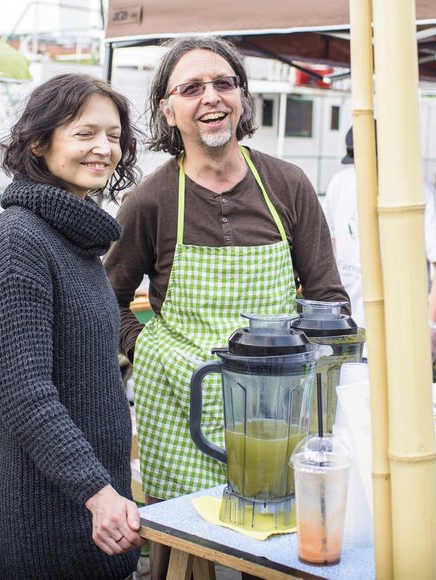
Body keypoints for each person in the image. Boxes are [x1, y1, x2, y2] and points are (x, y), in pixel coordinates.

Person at [104, 35, 346, 576]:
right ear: (168, 111)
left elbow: (328, 298)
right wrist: (146, 349)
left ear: (242, 97)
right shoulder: (150, 200)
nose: (210, 97)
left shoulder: (288, 184)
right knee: (187, 550)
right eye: (191, 88)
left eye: (223, 83)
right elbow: (108, 300)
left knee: (279, 553)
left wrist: (300, 369)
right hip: (180, 402)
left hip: (277, 404)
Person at [0, 74, 143, 579]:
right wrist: (97, 492)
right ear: (39, 142)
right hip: (44, 531)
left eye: (114, 136)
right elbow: (22, 392)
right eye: (85, 133)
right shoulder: (17, 239)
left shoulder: (77, 240)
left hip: (99, 518)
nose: (104, 149)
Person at [322, 127, 436, 348]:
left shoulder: (421, 193)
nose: (360, 168)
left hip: (401, 330)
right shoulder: (340, 183)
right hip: (348, 327)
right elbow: (332, 245)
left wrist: (430, 326)